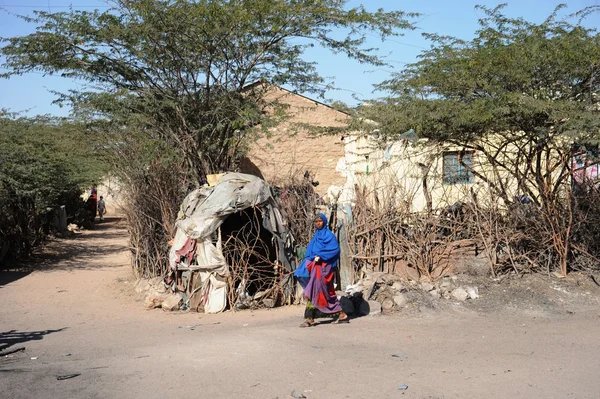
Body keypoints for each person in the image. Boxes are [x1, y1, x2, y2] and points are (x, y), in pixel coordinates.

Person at [294, 213, 349, 327]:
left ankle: (310, 318)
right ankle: (341, 315)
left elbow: (335, 250)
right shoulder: (316, 237)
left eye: (320, 221)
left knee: (317, 291)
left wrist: (321, 256)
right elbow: (310, 253)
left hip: (324, 269)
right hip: (316, 268)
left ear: (324, 222)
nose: (318, 223)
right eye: (316, 221)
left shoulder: (329, 236)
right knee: (323, 292)